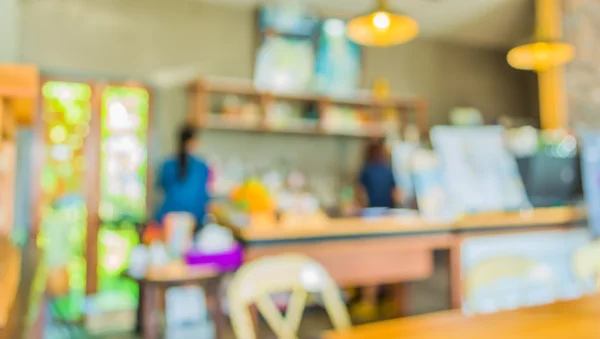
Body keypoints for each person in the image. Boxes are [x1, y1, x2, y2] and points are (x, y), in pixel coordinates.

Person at [352, 138, 399, 321]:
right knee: (389, 260)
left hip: (370, 219)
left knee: (369, 261)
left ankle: (368, 302)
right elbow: (396, 193)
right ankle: (390, 300)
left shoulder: (366, 170)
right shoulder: (388, 170)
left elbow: (360, 194)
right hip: (388, 218)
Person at [155, 125, 211, 233]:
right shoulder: (202, 166)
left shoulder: (167, 164)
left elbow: (162, 187)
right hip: (194, 220)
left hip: (168, 220)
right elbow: (204, 195)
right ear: (193, 142)